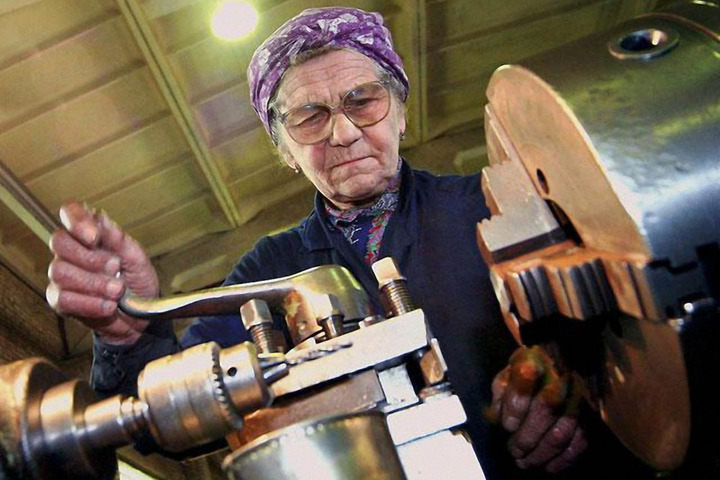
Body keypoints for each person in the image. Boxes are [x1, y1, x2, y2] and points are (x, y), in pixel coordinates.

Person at [45, 7, 650, 480]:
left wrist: (575, 378)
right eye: (309, 117)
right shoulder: (268, 270)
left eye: (363, 100)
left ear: (401, 113)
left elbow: (634, 317)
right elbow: (158, 423)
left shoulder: (493, 201)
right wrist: (128, 334)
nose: (342, 132)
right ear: (285, 151)